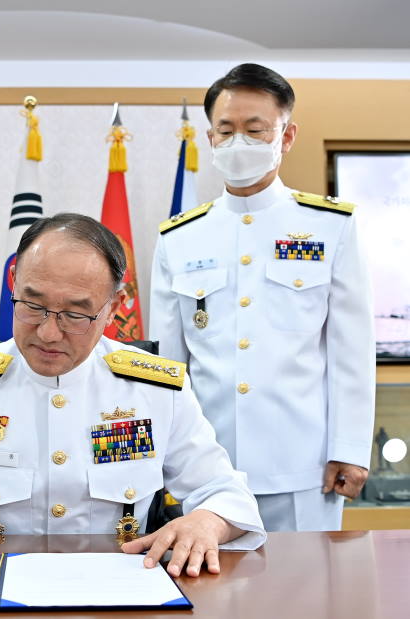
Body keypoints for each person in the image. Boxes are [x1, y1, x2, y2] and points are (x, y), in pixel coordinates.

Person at [0, 213, 265, 577]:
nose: (48, 332)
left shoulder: (156, 390)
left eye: (76, 314)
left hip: (120, 596)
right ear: (14, 283)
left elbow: (227, 494)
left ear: (113, 307)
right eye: (32, 305)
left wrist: (208, 522)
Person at [149, 63, 374, 531]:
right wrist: (160, 457)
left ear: (286, 136)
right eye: (226, 130)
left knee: (307, 597)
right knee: (211, 597)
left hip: (304, 465)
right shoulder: (180, 237)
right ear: (210, 138)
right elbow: (169, 362)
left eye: (255, 130)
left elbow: (351, 349)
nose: (238, 143)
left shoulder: (329, 226)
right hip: (205, 465)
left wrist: (349, 449)